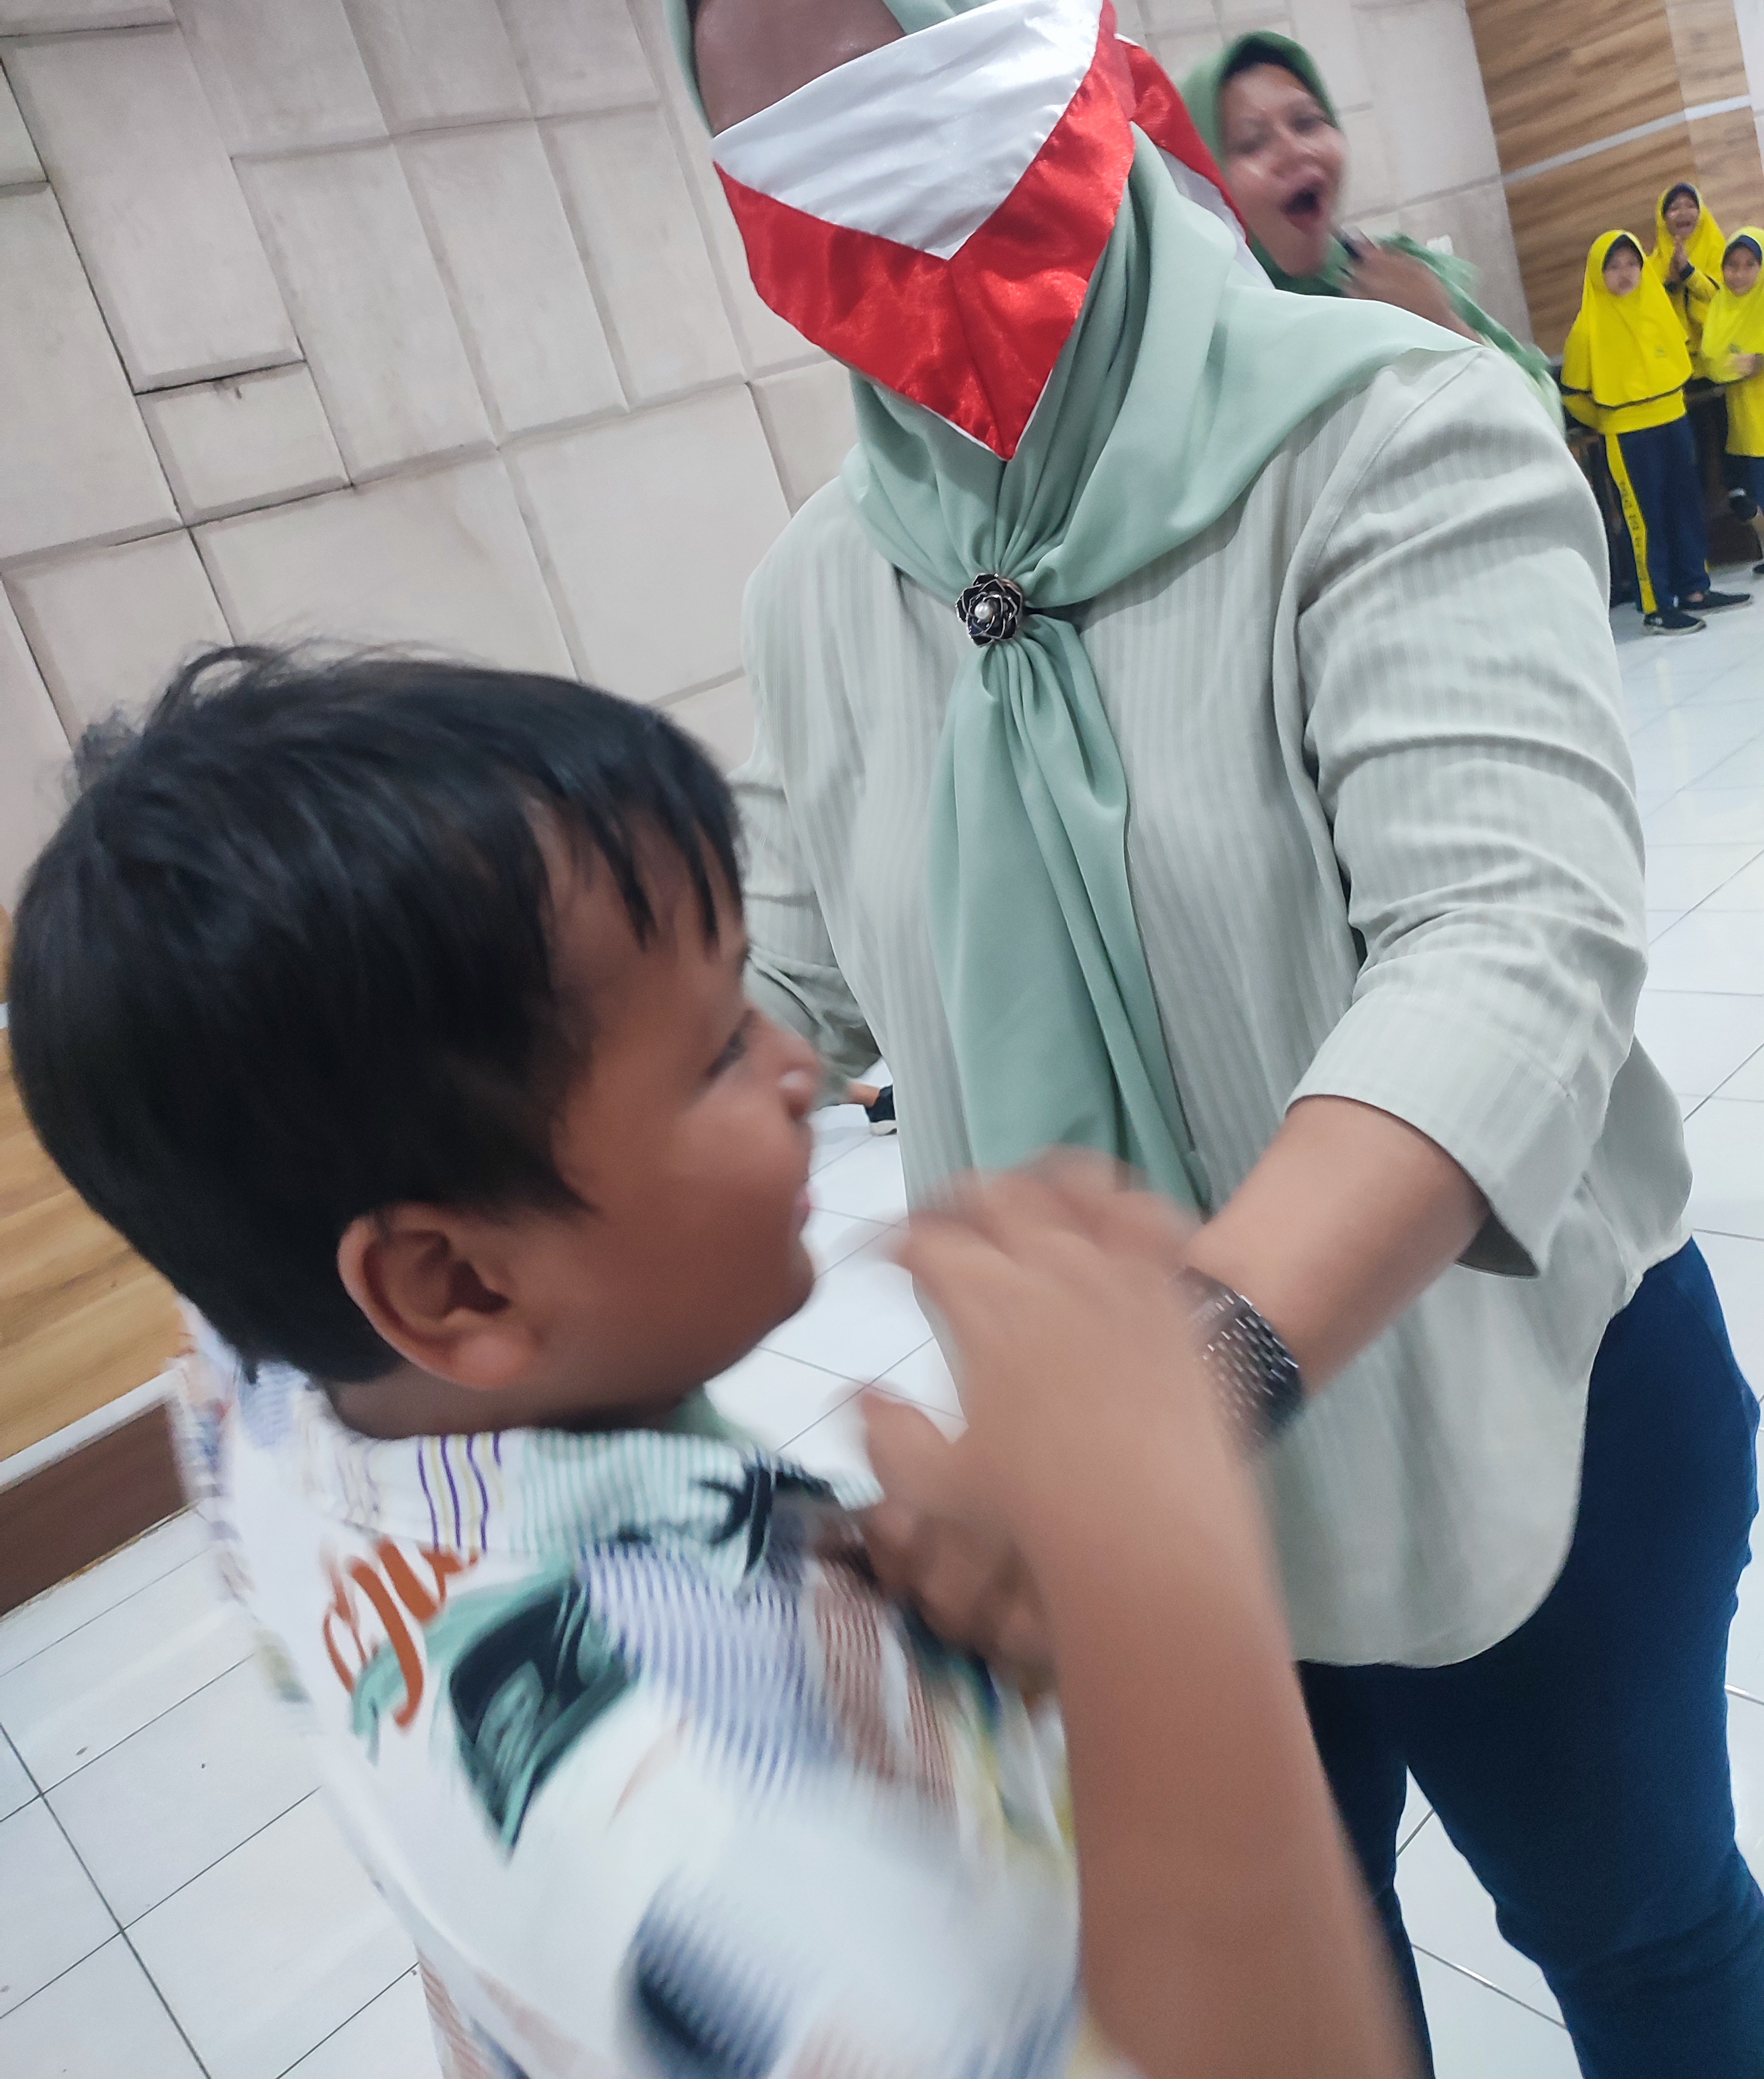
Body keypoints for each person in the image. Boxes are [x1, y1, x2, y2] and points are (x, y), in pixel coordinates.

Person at [663, 0, 1764, 2077]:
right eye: (781, 154)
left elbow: (1503, 943)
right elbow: (769, 973)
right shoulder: (821, 593)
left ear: (1085, 65)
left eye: (911, 99)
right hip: (1121, 1500)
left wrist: (1173, 1380)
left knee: (1641, 1935)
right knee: (1301, 1984)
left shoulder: (1392, 438)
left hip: (1506, 1409)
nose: (858, 198)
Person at [6, 647, 1415, 2079]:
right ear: (455, 1282)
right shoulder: (722, 1832)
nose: (805, 1065)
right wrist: (1160, 1574)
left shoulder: (254, 1387)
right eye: (719, 1049)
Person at [1180, 29, 1562, 429]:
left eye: (1308, 122)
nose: (1296, 150)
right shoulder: (1210, 353)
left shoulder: (1399, 274)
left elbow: (1544, 417)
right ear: (1203, 183)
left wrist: (1445, 327)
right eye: (1252, 143)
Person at [1561, 229, 1751, 631]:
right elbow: (1574, 394)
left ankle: (1695, 590)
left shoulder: (1658, 308)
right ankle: (1657, 606)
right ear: (1597, 273)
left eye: (1632, 263)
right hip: (1630, 435)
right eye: (1614, 266)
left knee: (1687, 507)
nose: (1625, 273)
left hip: (1674, 420)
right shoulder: (1586, 329)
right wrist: (1609, 421)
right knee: (1647, 521)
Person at [1699, 223, 1764, 576]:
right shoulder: (1720, 306)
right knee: (1749, 493)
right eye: (1732, 266)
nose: (1740, 275)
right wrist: (1740, 365)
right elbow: (1711, 361)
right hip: (1746, 426)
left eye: (1750, 265)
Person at [1651, 179, 1726, 351]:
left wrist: (1688, 273)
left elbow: (1723, 297)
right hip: (1677, 354)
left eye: (1691, 206)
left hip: (1717, 350)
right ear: (1663, 219)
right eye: (1674, 208)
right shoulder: (1651, 266)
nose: (1683, 213)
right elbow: (1653, 314)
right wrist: (1672, 285)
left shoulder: (1720, 252)